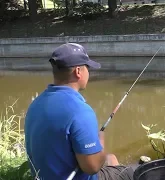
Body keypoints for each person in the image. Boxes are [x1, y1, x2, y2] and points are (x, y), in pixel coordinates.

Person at [24, 43, 134, 180]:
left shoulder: (36, 104)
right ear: (78, 72)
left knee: (111, 158)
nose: (89, 72)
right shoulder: (80, 111)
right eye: (87, 68)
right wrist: (100, 142)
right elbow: (92, 167)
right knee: (130, 172)